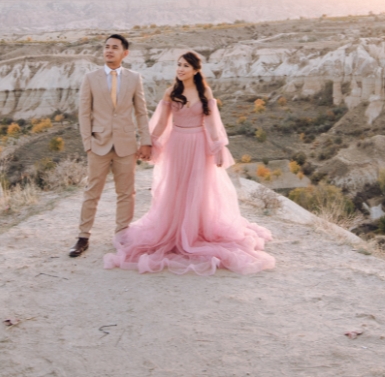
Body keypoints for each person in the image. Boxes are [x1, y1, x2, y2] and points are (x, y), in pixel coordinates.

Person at [103, 51, 275, 275]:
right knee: (176, 186)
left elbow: (212, 123)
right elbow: (162, 123)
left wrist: (218, 148)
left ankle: (195, 230)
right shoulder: (171, 92)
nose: (180, 69)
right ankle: (175, 231)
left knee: (198, 188)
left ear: (195, 69)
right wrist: (149, 144)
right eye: (178, 65)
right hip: (177, 144)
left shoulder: (204, 91)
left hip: (199, 146)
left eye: (185, 65)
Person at [69, 33, 151, 258]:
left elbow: (141, 112)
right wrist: (88, 143)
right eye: (106, 47)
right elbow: (84, 113)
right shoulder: (91, 78)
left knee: (126, 193)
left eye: (114, 47)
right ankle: (83, 236)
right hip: (98, 144)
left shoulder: (134, 78)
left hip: (126, 144)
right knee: (92, 191)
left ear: (125, 53)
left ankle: (122, 235)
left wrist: (146, 141)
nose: (109, 51)